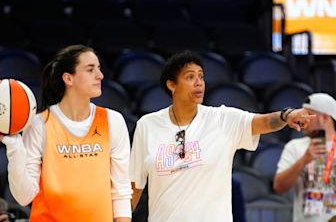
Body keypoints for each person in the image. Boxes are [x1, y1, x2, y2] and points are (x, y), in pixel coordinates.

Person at [129, 50, 314, 221]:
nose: (199, 82)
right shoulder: (147, 125)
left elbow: (264, 122)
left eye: (201, 76)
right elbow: (135, 185)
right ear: (172, 85)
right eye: (190, 77)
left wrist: (286, 115)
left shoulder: (222, 119)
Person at [0, 44, 132, 221]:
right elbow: (24, 197)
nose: (100, 75)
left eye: (99, 68)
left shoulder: (113, 121)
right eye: (90, 69)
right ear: (68, 79)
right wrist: (14, 147)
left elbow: (121, 191)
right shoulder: (39, 124)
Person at [273, 93, 336, 222]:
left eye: (308, 115)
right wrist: (304, 160)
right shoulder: (294, 147)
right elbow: (278, 187)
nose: (301, 120)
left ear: (324, 118)